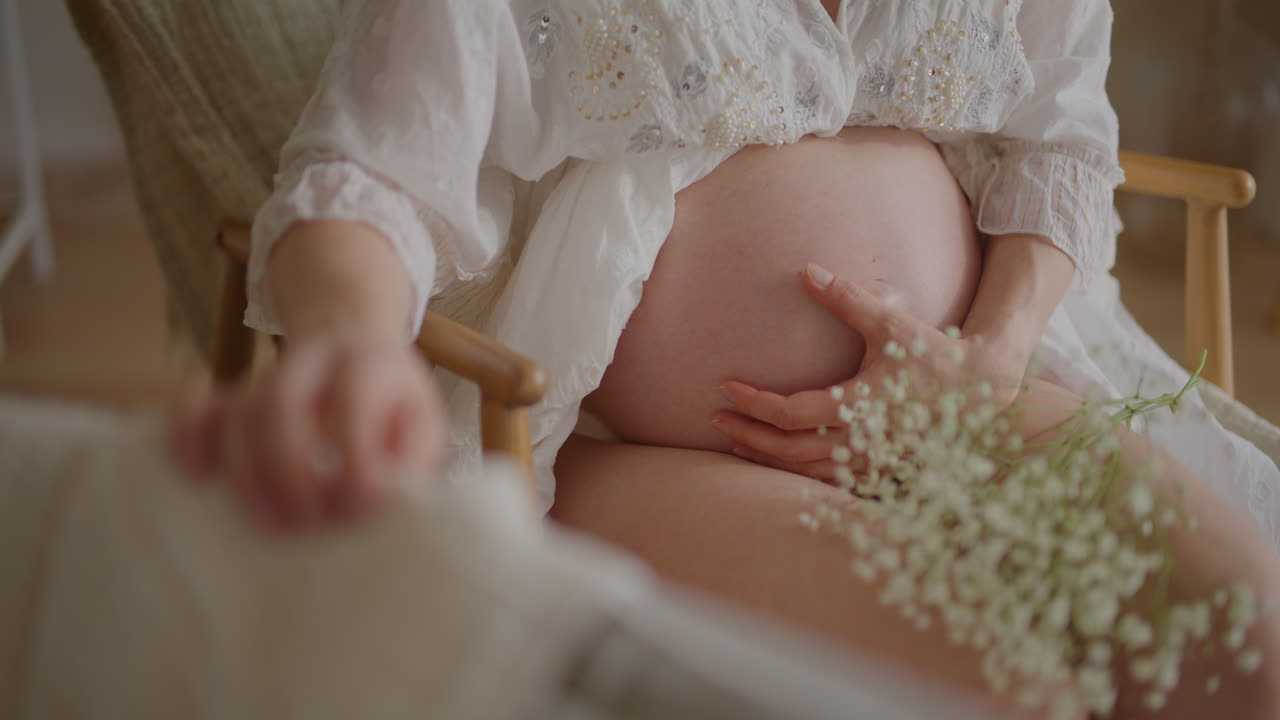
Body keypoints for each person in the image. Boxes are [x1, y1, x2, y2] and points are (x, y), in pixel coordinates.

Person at [172, 0, 1280, 716]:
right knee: (1002, 686)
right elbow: (373, 178)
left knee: (1249, 635)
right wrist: (353, 344)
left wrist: (983, 363)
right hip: (668, 453)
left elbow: (1059, 148)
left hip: (980, 389)